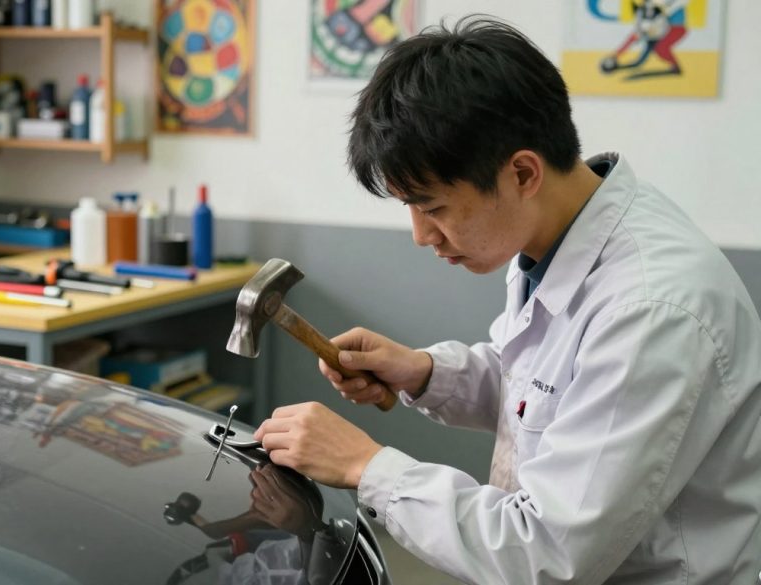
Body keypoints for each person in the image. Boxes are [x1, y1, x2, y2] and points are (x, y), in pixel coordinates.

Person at [252, 15, 761, 584]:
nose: (421, 235)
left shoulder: (650, 308)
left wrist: (365, 467)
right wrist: (423, 372)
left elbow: (544, 553)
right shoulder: (556, 237)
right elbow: (542, 390)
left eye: (433, 207)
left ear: (522, 172)